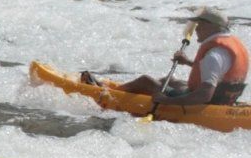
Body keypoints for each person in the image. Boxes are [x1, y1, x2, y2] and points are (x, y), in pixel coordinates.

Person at [99, 8, 248, 106]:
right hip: (223, 98)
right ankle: (121, 90)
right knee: (168, 81)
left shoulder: (213, 55)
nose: (196, 29)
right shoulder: (229, 45)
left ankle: (111, 96)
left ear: (212, 27)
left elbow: (204, 96)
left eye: (200, 25)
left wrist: (168, 101)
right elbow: (217, 71)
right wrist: (188, 62)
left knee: (145, 81)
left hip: (208, 102)